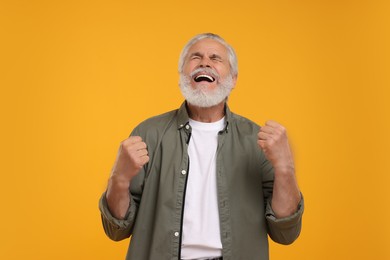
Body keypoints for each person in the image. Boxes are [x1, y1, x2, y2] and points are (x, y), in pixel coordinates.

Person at [99, 33, 304, 260]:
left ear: (234, 78)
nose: (205, 63)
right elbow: (116, 229)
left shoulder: (258, 141)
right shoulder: (148, 134)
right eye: (195, 57)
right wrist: (119, 177)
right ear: (181, 74)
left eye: (216, 58)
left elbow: (285, 233)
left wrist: (285, 168)